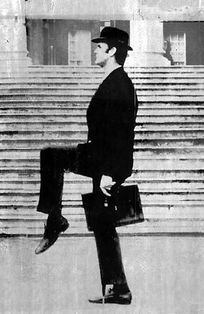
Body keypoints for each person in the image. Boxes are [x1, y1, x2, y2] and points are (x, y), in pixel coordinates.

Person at [35, 26, 138, 305]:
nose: (94, 50)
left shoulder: (120, 84)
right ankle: (118, 289)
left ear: (112, 51)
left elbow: (122, 133)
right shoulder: (111, 80)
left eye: (99, 47)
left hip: (106, 163)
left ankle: (118, 289)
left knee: (103, 222)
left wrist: (112, 174)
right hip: (98, 156)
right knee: (52, 157)